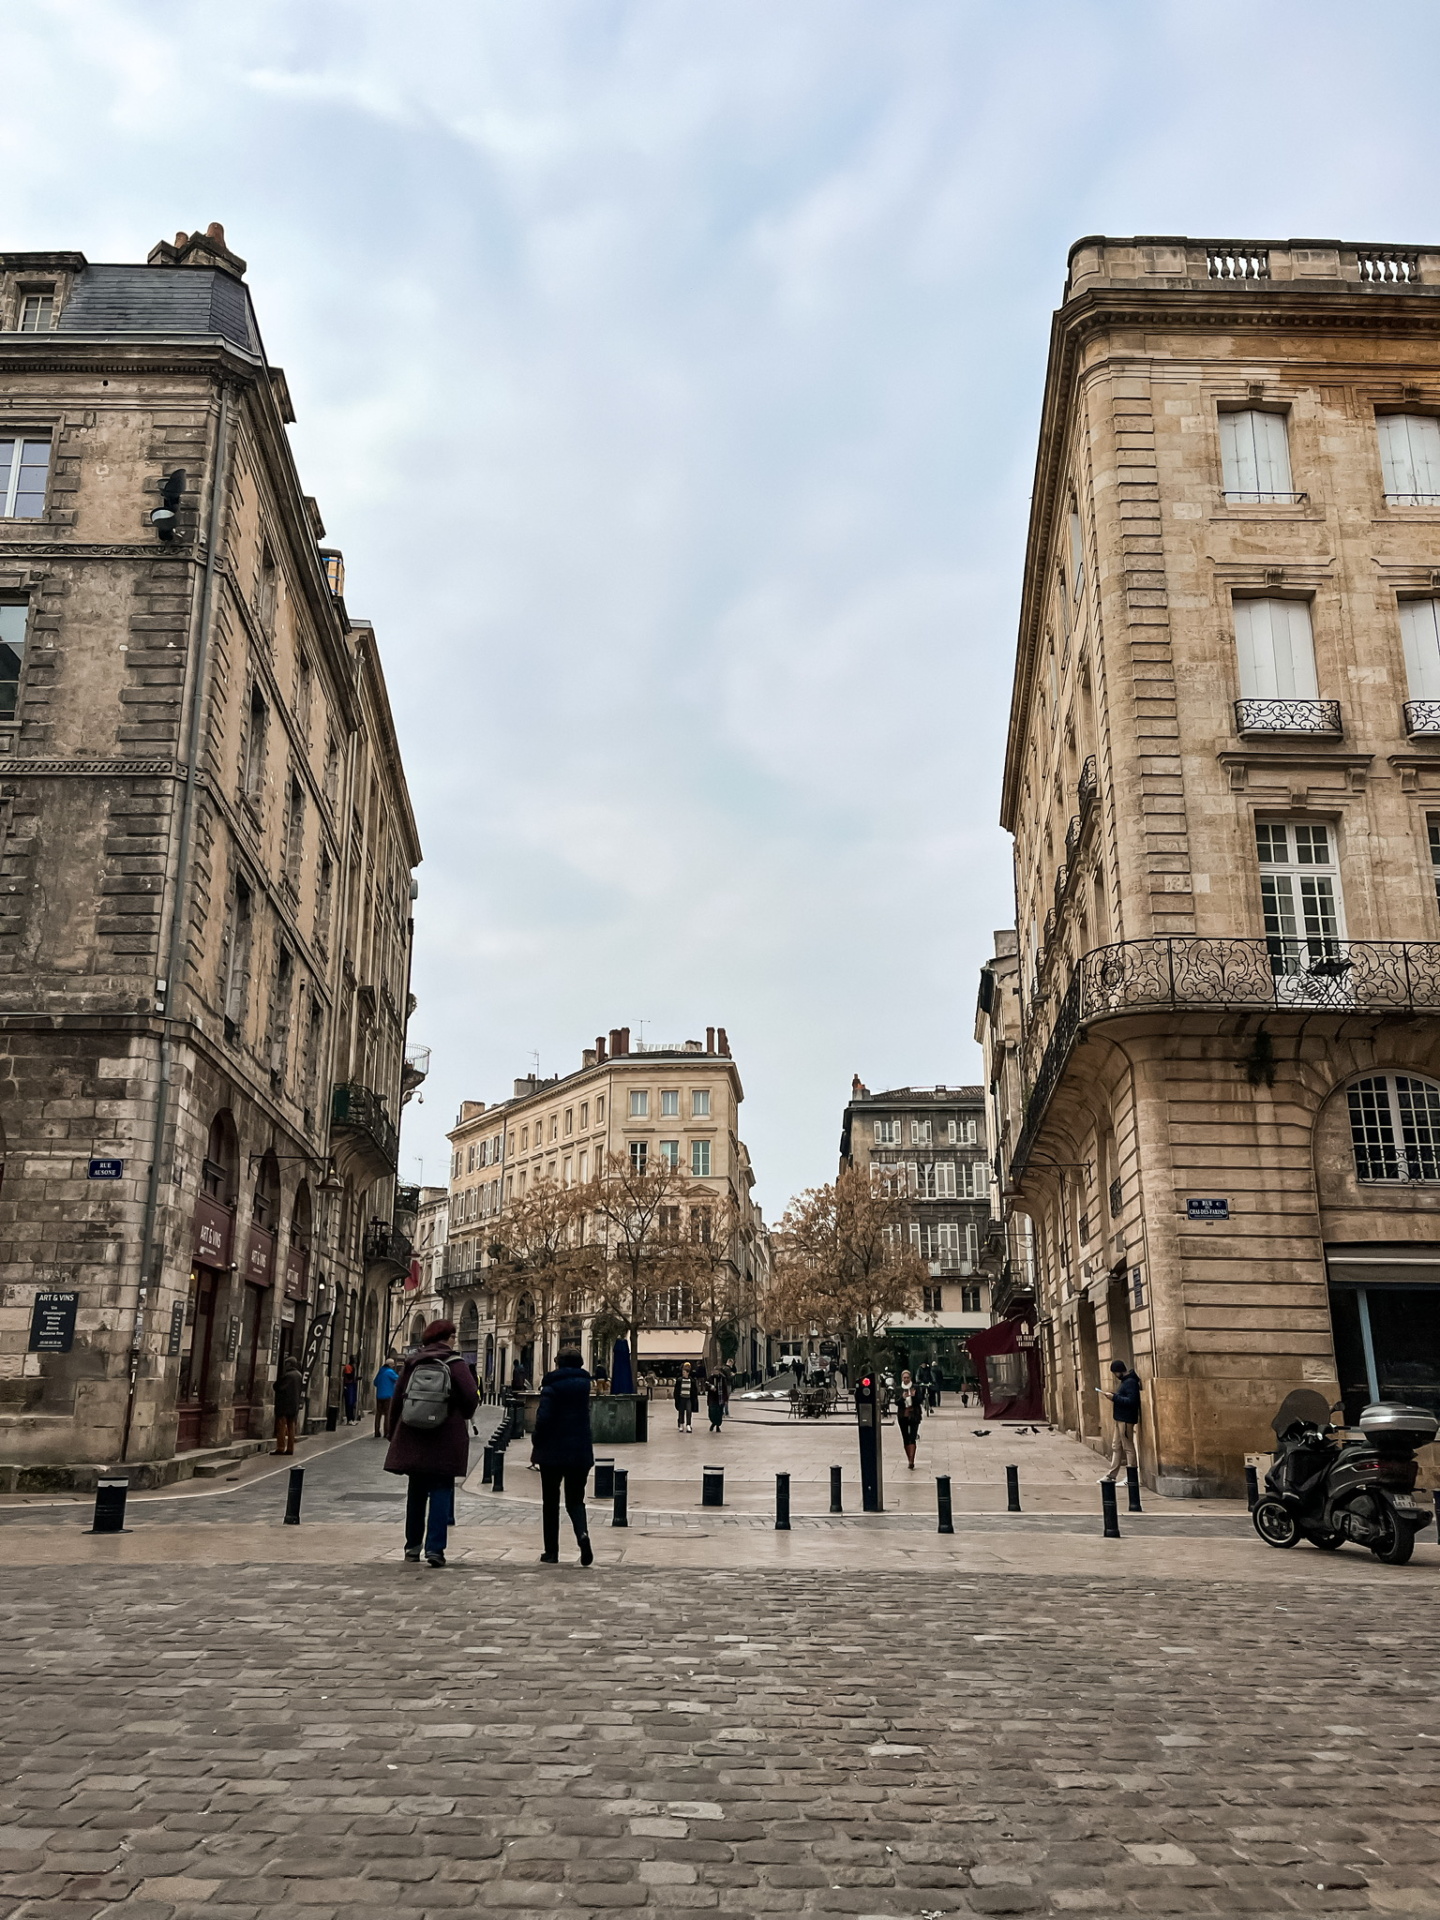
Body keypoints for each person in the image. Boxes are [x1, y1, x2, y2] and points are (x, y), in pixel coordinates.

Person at [383, 1318, 479, 1567]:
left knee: (416, 1492)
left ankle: (412, 1547)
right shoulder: (456, 1364)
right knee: (440, 1490)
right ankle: (435, 1549)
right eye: (453, 1335)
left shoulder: (413, 1362)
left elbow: (397, 1398)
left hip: (414, 1434)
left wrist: (393, 1432)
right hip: (445, 1436)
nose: (455, 1339)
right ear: (447, 1337)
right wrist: (460, 1415)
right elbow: (470, 1397)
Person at [531, 1346, 595, 1566]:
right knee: (576, 1500)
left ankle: (551, 1552)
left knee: (550, 1502)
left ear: (558, 1363)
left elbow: (543, 1418)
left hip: (552, 1451)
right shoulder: (585, 1385)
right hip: (580, 1450)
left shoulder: (552, 1385)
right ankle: (582, 1535)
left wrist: (536, 1443)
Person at [1100, 1359, 1142, 1482]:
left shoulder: (1130, 1382)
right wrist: (1114, 1396)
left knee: (1128, 1447)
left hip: (1126, 1419)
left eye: (1114, 1373)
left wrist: (1114, 1397)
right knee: (1116, 1446)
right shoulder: (1125, 1382)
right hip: (1119, 1419)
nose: (1114, 1376)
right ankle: (1111, 1475)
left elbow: (1132, 1401)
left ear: (1119, 1372)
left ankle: (1132, 1476)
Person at [272, 1354, 303, 1455]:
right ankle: (290, 1448)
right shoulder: (299, 1375)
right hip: (294, 1404)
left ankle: (280, 1447)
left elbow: (279, 1387)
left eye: (286, 1364)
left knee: (281, 1425)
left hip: (284, 1404)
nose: (285, 1366)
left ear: (289, 1364)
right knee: (291, 1426)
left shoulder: (288, 1375)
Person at [895, 1368, 924, 1470]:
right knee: (905, 1438)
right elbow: (896, 1402)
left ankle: (912, 1460)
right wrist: (902, 1398)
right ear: (902, 1378)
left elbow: (920, 1400)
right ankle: (909, 1458)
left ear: (910, 1378)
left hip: (914, 1415)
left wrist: (914, 1396)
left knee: (912, 1436)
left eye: (907, 1377)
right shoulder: (899, 1388)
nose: (906, 1379)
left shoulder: (915, 1387)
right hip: (903, 1415)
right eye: (904, 1378)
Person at [373, 1356, 399, 1438]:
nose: (393, 1365)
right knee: (387, 1414)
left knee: (378, 1414)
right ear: (390, 1364)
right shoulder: (390, 1372)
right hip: (388, 1395)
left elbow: (375, 1382)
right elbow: (398, 1379)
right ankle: (386, 1432)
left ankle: (377, 1432)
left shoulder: (380, 1372)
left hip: (379, 1395)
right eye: (393, 1364)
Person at [674, 1362, 698, 1433]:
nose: (683, 1373)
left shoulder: (691, 1381)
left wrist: (694, 1398)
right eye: (683, 1372)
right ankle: (681, 1424)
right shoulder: (679, 1380)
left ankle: (688, 1424)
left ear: (688, 1373)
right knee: (681, 1411)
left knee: (689, 1411)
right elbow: (677, 1390)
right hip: (681, 1398)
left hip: (688, 1398)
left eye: (684, 1372)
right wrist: (676, 1398)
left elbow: (694, 1390)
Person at [706, 1369, 730, 1433]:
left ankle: (717, 1426)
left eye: (717, 1371)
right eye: (714, 1371)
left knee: (719, 1413)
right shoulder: (710, 1379)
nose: (715, 1372)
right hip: (712, 1399)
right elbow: (706, 1386)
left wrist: (725, 1399)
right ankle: (713, 1423)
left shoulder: (722, 1379)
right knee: (712, 1413)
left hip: (720, 1399)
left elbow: (725, 1389)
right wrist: (710, 1388)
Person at [342, 1359, 359, 1424]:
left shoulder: (351, 1367)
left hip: (351, 1385)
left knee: (351, 1403)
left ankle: (351, 1418)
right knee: (349, 1403)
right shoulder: (348, 1367)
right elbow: (348, 1377)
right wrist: (355, 1378)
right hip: (349, 1386)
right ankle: (349, 1419)